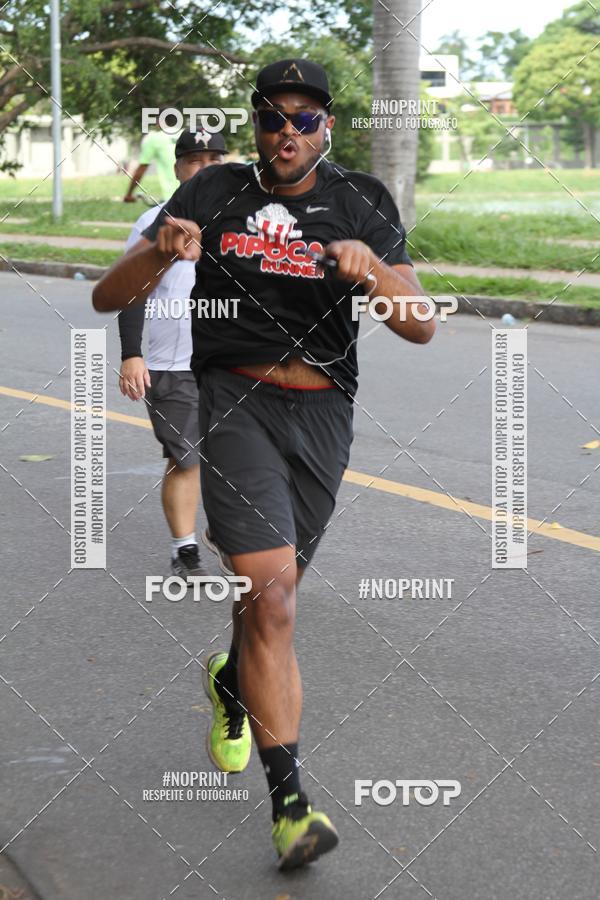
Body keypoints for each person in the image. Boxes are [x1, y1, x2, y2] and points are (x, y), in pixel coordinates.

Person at [93, 58, 435, 870]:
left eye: (305, 118)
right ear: (256, 124)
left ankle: (230, 682)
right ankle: (291, 806)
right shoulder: (211, 194)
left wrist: (375, 272)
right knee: (273, 599)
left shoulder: (361, 202)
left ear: (328, 127)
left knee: (269, 599)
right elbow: (110, 296)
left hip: (324, 415)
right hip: (237, 403)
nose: (288, 131)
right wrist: (161, 254)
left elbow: (420, 321)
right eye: (274, 116)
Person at [118, 130, 228, 577]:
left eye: (212, 159)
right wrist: (131, 354)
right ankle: (185, 550)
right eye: (193, 160)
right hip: (171, 363)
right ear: (178, 168)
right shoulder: (152, 224)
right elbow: (132, 288)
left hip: (233, 362)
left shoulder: (246, 226)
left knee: (245, 453)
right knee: (186, 457)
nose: (203, 167)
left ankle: (229, 531)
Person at [123, 120, 178, 203]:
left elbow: (141, 170)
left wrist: (129, 194)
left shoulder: (154, 138)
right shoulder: (188, 134)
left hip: (169, 197)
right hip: (192, 195)